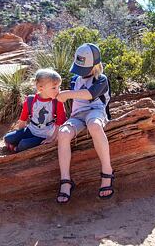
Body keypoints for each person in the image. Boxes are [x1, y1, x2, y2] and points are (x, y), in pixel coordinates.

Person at [55, 43, 114, 203]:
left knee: (94, 125)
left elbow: (90, 94)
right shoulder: (75, 80)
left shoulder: (101, 79)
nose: (81, 73)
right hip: (77, 116)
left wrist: (67, 94)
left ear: (95, 65)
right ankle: (65, 180)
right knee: (63, 133)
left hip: (96, 111)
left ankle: (107, 172)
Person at [4, 69, 67, 152]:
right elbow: (23, 119)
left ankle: (16, 149)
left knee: (23, 144)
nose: (58, 90)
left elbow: (60, 121)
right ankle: (18, 145)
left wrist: (52, 138)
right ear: (41, 88)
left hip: (45, 134)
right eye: (54, 88)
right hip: (31, 130)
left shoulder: (57, 101)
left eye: (59, 87)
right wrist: (20, 135)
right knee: (8, 138)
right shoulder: (30, 100)